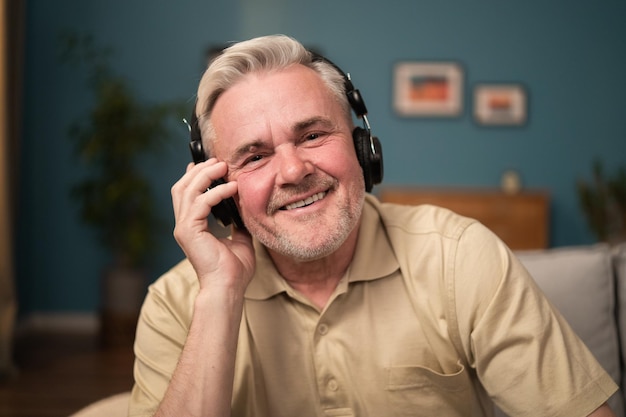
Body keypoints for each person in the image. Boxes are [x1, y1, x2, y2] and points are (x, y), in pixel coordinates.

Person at [129, 34, 618, 417]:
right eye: (254, 156)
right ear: (220, 191)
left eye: (314, 134)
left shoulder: (459, 256)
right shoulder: (175, 304)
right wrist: (220, 294)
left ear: (364, 150)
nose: (295, 171)